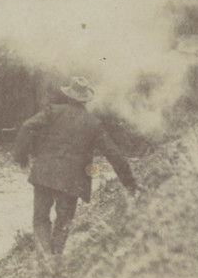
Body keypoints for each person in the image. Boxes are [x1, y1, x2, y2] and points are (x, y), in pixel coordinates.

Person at [13, 76, 140, 266]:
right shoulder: (94, 123)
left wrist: (21, 156)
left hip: (45, 172)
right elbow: (113, 154)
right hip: (72, 180)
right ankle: (55, 259)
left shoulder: (52, 111)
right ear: (86, 100)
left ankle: (45, 258)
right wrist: (130, 182)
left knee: (40, 219)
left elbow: (26, 126)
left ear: (68, 95)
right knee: (64, 221)